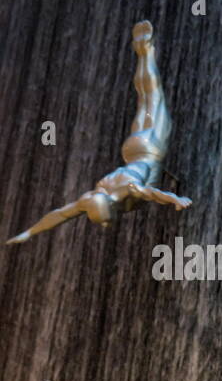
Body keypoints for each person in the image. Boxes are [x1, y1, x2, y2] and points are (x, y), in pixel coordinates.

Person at [6, 21, 190, 244]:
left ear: (110, 204)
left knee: (152, 96)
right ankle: (142, 52)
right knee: (145, 99)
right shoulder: (93, 199)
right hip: (133, 151)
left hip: (150, 147)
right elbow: (59, 215)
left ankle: (146, 51)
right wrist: (28, 233)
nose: (104, 226)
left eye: (105, 220)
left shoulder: (124, 191)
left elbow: (152, 195)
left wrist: (175, 200)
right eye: (103, 221)